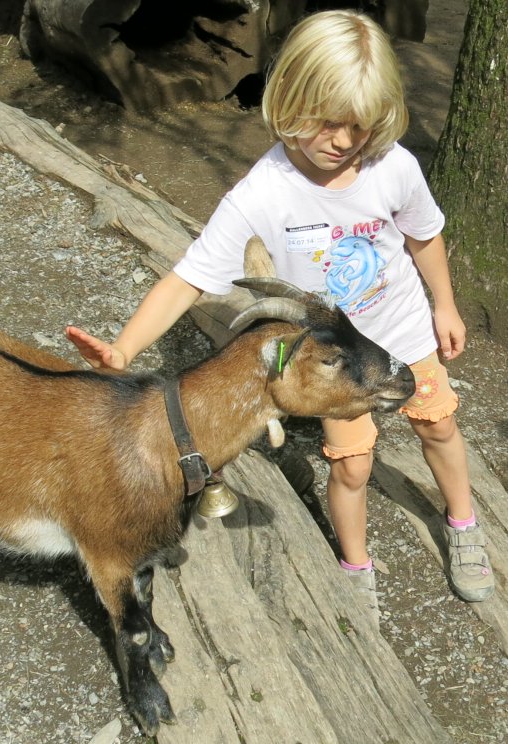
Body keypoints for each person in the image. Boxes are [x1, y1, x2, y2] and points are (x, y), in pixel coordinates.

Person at [66, 10, 494, 617]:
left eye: (360, 125)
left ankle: (462, 520)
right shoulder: (261, 194)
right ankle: (355, 565)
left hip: (403, 334)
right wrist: (125, 349)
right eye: (326, 121)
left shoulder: (391, 165)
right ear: (289, 97)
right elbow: (188, 278)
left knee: (438, 426)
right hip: (337, 366)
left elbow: (424, 236)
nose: (343, 141)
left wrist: (444, 305)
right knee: (352, 467)